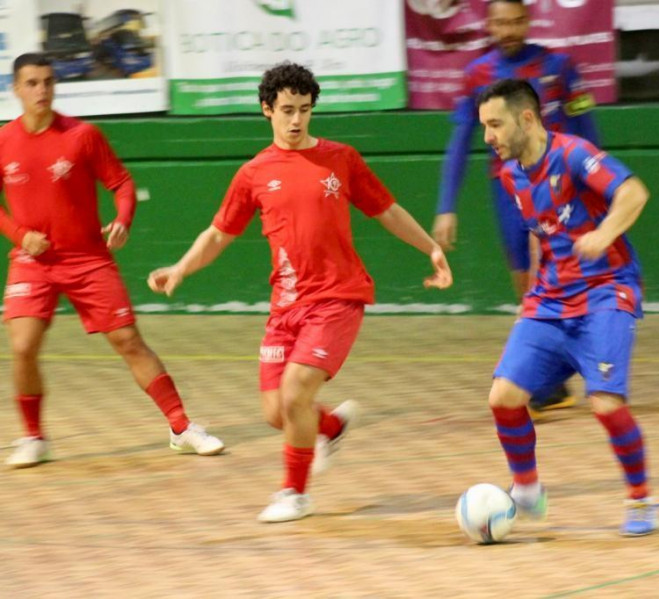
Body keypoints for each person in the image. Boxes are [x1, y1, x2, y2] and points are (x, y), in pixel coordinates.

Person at [147, 62, 453, 523]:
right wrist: (180, 269)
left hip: (338, 297)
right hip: (285, 307)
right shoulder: (253, 173)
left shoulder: (341, 159)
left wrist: (430, 247)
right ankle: (331, 426)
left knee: (294, 396)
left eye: (304, 110)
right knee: (278, 412)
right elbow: (217, 234)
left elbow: (387, 210)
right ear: (267, 110)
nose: (296, 121)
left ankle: (294, 493)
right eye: (287, 110)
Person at [0, 53, 224, 469]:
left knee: (128, 342)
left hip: (88, 259)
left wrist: (123, 220)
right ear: (15, 88)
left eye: (48, 81)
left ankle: (181, 427)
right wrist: (19, 235)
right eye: (32, 83)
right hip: (32, 263)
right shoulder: (3, 141)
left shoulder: (82, 135)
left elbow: (120, 183)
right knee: (23, 345)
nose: (42, 90)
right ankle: (33, 437)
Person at [477, 78, 659, 536]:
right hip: (550, 300)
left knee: (605, 404)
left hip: (605, 292)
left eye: (495, 124)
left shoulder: (574, 154)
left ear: (527, 119)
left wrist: (604, 233)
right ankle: (527, 490)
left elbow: (634, 193)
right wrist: (531, 301)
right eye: (484, 127)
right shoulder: (509, 175)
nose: (488, 137)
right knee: (504, 398)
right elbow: (544, 236)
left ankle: (641, 501)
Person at [432, 0, 600, 416]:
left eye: (515, 21)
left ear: (528, 21)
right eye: (499, 22)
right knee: (526, 282)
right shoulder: (477, 75)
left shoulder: (560, 67)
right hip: (508, 193)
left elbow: (588, 128)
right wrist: (446, 206)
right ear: (489, 24)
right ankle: (551, 377)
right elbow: (459, 141)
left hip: (560, 189)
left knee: (558, 279)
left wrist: (598, 186)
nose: (508, 30)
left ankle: (553, 373)